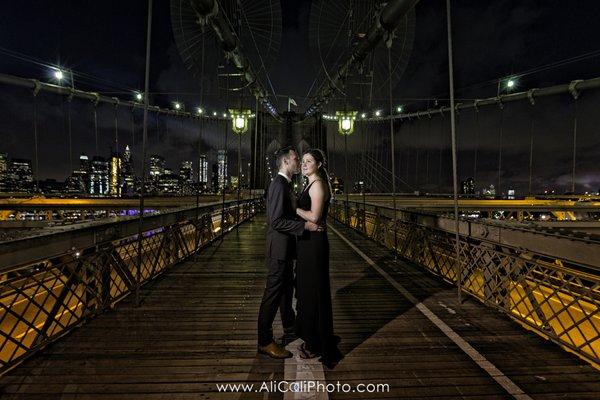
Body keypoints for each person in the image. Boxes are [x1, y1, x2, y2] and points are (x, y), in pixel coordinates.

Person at [257, 146, 321, 359]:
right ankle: (265, 341)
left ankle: (289, 325)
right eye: (295, 158)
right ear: (285, 162)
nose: (299, 162)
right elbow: (276, 221)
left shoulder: (285, 184)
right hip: (278, 250)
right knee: (273, 295)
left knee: (285, 291)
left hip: (285, 249)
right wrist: (305, 227)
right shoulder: (278, 185)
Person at [294, 148, 342, 367]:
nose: (304, 164)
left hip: (314, 245)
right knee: (307, 289)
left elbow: (314, 216)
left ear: (319, 164)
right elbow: (312, 220)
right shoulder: (310, 184)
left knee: (313, 291)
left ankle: (315, 343)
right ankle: (312, 336)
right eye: (302, 161)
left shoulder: (318, 185)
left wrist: (294, 208)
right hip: (308, 242)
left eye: (309, 161)